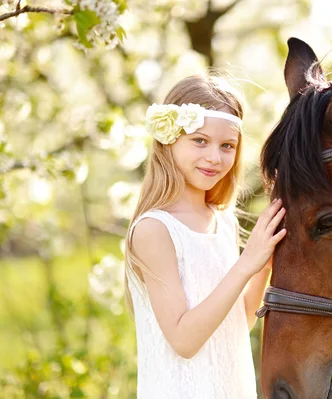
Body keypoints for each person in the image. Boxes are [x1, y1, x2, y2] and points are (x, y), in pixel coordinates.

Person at [124, 74, 286, 399]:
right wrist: (246, 263)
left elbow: (237, 322)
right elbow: (184, 340)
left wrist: (263, 265)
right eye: (200, 141)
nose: (215, 157)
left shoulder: (222, 220)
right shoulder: (154, 230)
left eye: (227, 146)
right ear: (169, 140)